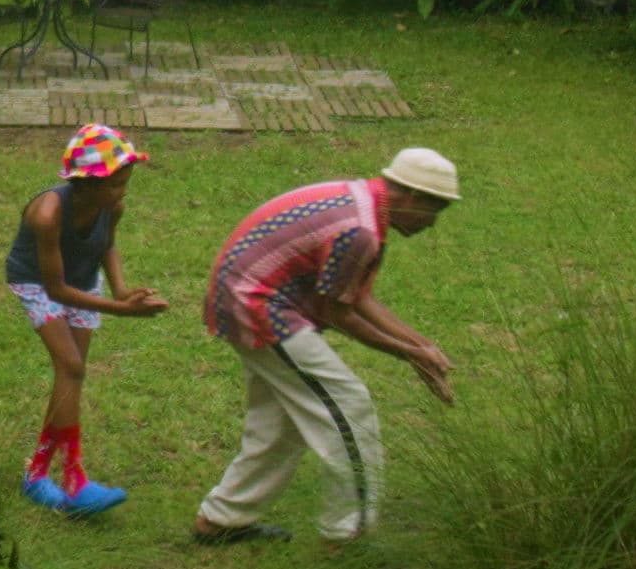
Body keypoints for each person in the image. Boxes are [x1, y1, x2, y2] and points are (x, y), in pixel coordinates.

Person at [190, 146, 464, 547]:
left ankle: (222, 521)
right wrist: (410, 354)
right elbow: (341, 314)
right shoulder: (361, 231)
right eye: (433, 210)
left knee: (281, 421)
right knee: (348, 406)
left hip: (246, 296)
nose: (432, 224)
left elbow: (358, 299)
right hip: (257, 306)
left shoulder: (364, 205)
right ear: (410, 195)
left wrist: (424, 346)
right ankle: (347, 534)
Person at [7, 122, 174, 516]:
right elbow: (56, 290)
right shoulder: (48, 214)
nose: (123, 192)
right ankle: (75, 480)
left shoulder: (111, 205)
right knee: (71, 365)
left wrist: (120, 290)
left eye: (126, 182)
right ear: (85, 183)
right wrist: (125, 312)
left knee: (72, 372)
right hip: (38, 283)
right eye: (115, 184)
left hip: (83, 278)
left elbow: (107, 245)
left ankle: (36, 475)